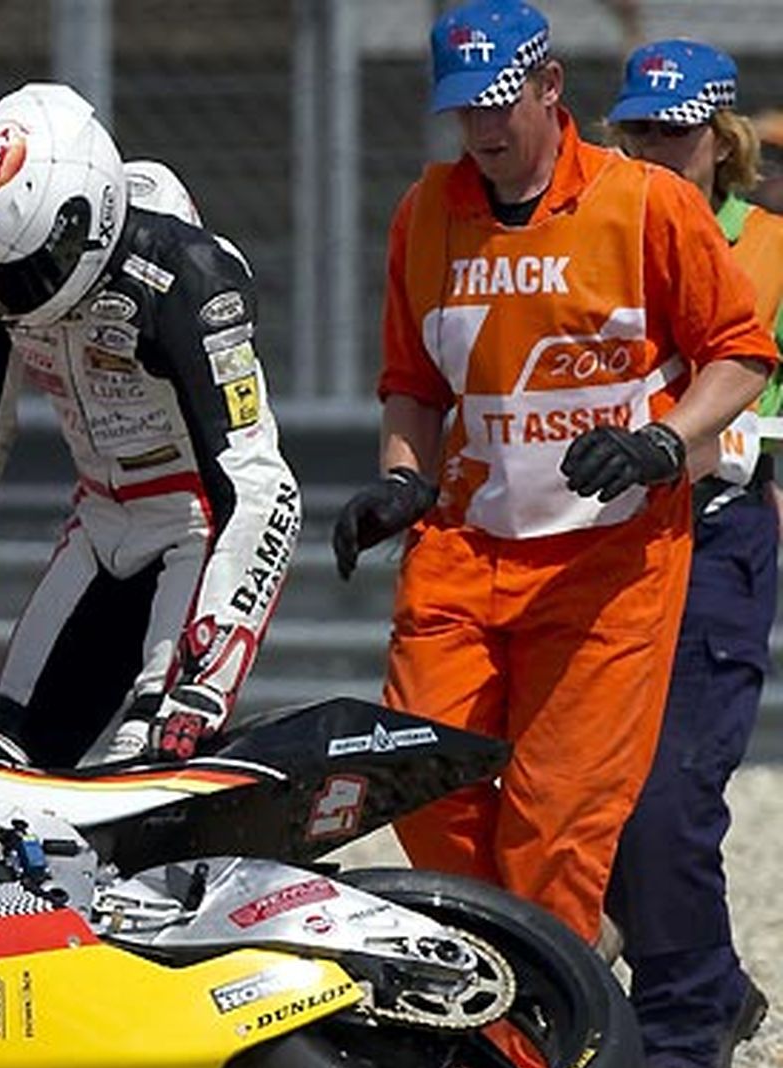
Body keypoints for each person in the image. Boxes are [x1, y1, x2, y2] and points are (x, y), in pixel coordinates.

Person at [330, 0, 775, 957]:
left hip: (609, 564)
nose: (485, 130)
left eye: (502, 105)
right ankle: (509, 981)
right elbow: (412, 383)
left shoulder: (644, 202)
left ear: (550, 87)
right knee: (417, 779)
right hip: (463, 550)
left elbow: (740, 354)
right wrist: (402, 481)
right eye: (466, 110)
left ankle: (533, 1046)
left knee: (554, 825)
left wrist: (664, 441)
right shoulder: (426, 214)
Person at [0, 82, 300, 767]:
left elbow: (264, 484)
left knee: (142, 768)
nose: (8, 297)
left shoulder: (189, 277)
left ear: (84, 223)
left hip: (195, 533)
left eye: (25, 272)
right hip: (97, 523)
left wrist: (211, 672)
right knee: (7, 766)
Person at [598, 40, 782, 1068]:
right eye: (639, 132)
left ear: (722, 140)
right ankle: (710, 979)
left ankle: (681, 1025)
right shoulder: (598, 238)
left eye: (676, 132)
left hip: (716, 529)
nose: (658, 152)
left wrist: (732, 442)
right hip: (603, 532)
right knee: (590, 783)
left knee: (670, 790)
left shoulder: (769, 249)